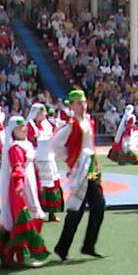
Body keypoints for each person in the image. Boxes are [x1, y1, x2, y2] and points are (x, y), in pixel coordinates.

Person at [54, 89, 106, 261]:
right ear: (72, 105)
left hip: (90, 168)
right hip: (80, 170)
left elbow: (91, 145)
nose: (82, 106)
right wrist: (70, 160)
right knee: (77, 209)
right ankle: (64, 247)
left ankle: (87, 245)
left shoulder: (88, 121)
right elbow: (56, 144)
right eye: (78, 103)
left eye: (84, 103)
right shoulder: (71, 124)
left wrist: (96, 165)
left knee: (98, 206)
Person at [0, 116, 50, 267]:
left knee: (33, 216)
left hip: (30, 183)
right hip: (22, 187)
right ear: (12, 131)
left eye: (24, 126)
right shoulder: (15, 147)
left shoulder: (27, 144)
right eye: (19, 127)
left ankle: (24, 252)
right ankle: (23, 255)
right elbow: (17, 168)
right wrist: (19, 185)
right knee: (24, 219)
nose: (24, 129)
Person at [29, 103, 65, 217]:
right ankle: (37, 212)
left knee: (52, 184)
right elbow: (32, 140)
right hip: (36, 158)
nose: (44, 115)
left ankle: (52, 213)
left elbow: (53, 134)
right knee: (39, 185)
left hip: (48, 157)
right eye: (41, 113)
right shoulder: (30, 125)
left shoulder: (47, 124)